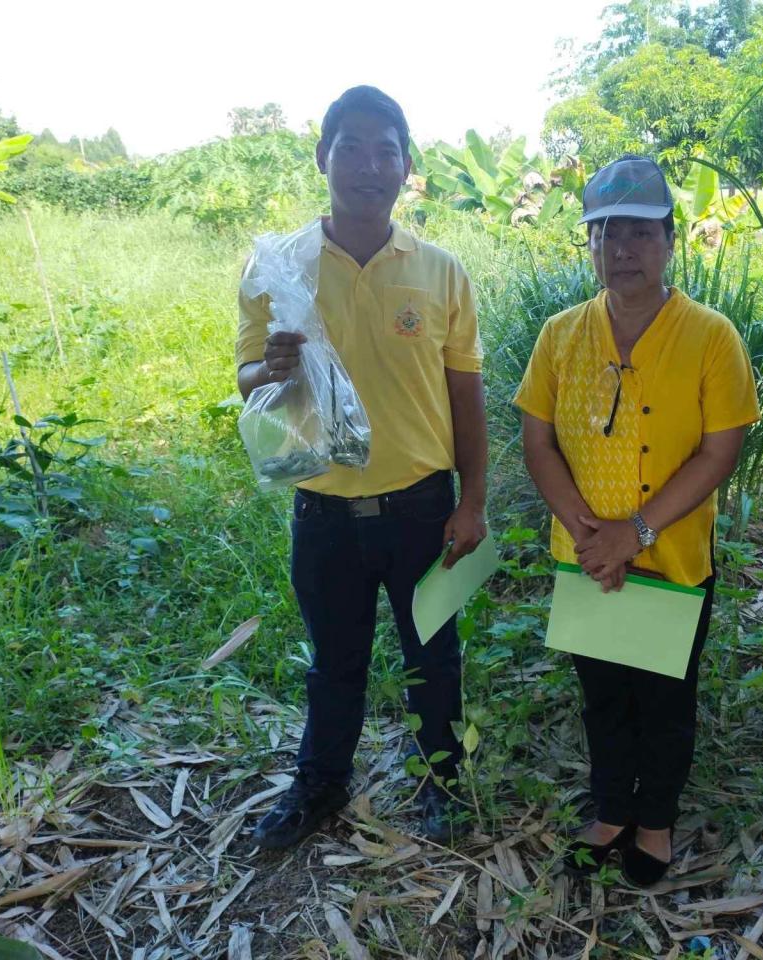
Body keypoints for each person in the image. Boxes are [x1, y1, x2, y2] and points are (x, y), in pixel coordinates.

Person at [235, 86, 488, 848]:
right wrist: (268, 370)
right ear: (324, 158)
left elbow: (465, 395)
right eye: (352, 148)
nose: (369, 166)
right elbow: (247, 378)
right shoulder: (277, 266)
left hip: (422, 507)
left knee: (435, 655)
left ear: (407, 168)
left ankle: (443, 780)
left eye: (387, 151)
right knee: (334, 664)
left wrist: (472, 501)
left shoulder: (441, 271)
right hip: (324, 510)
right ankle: (320, 787)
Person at [515, 155, 760, 887]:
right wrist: (591, 534)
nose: (622, 249)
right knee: (603, 696)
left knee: (664, 701)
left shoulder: (712, 336)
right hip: (586, 556)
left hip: (671, 558)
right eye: (607, 233)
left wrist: (637, 532)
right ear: (590, 242)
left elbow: (722, 450)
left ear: (670, 239)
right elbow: (539, 441)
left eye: (641, 233)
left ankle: (654, 822)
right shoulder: (561, 335)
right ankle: (611, 810)